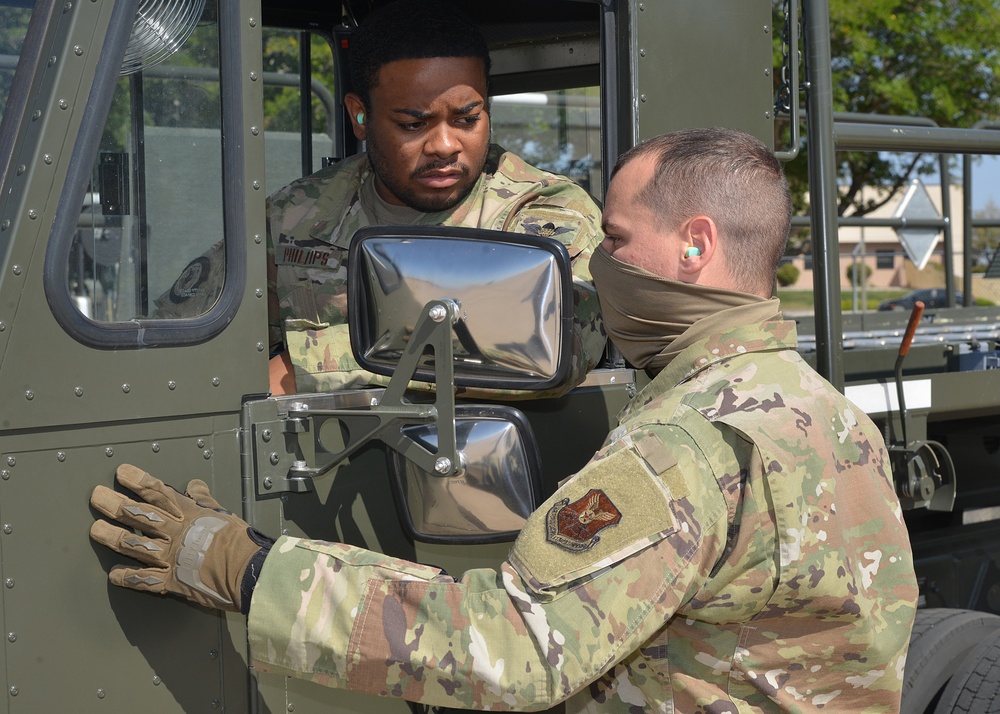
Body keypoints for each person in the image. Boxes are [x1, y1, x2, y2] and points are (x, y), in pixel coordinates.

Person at [90, 128, 918, 712]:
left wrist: (242, 567)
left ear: (694, 247)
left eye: (618, 240)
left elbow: (517, 645)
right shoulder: (825, 411)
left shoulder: (685, 446)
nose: (596, 265)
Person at [153, 0, 605, 398]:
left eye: (467, 119)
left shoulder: (543, 213)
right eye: (414, 124)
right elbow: (181, 334)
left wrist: (308, 368)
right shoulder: (301, 213)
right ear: (359, 115)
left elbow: (551, 353)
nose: (445, 145)